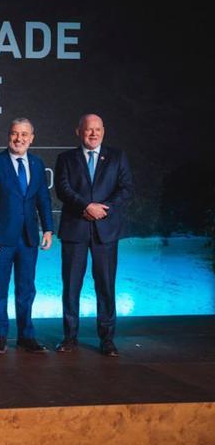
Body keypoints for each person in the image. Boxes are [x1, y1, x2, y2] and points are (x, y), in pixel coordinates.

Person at [55, 114, 133, 357]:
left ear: (103, 131)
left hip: (106, 231)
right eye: (88, 130)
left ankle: (107, 339)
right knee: (71, 287)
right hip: (75, 230)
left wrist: (102, 208)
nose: (93, 134)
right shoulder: (65, 158)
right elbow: (63, 189)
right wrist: (86, 206)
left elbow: (126, 188)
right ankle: (69, 337)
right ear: (78, 131)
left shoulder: (117, 157)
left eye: (97, 129)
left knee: (106, 287)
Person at [0, 118, 53, 354]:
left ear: (32, 138)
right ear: (8, 136)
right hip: (0, 239)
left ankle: (26, 336)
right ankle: (0, 337)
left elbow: (43, 198)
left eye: (24, 134)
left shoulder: (38, 164)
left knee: (27, 289)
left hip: (29, 238)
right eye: (14, 134)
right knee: (0, 288)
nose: (18, 139)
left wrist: (48, 229)